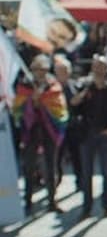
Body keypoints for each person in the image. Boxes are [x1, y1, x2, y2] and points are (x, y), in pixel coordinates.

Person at [12, 55, 69, 214]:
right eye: (36, 69)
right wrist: (32, 101)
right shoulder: (25, 84)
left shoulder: (53, 85)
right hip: (31, 131)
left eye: (43, 69)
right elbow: (17, 108)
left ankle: (52, 201)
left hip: (49, 130)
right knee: (29, 166)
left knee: (51, 167)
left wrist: (43, 102)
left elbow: (60, 109)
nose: (40, 73)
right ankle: (28, 200)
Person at [72, 54, 107, 218]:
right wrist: (80, 97)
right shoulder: (85, 87)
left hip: (106, 137)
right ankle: (86, 208)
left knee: (106, 173)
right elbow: (74, 108)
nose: (99, 71)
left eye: (102, 68)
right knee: (87, 174)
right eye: (96, 68)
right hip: (87, 136)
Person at [53, 56, 83, 192]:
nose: (62, 74)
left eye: (64, 71)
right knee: (56, 158)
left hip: (73, 127)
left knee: (77, 156)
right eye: (59, 71)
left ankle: (80, 182)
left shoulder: (75, 85)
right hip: (57, 128)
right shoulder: (51, 87)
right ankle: (55, 182)